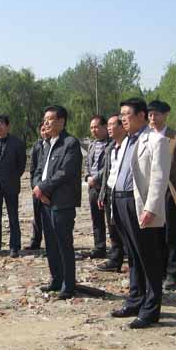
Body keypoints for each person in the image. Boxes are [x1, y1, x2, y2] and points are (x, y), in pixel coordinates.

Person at [110, 98, 171, 328]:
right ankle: (135, 300)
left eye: (126, 114)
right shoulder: (126, 141)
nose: (122, 118)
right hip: (121, 201)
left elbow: (159, 178)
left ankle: (151, 310)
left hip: (140, 205)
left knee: (149, 258)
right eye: (121, 114)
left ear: (141, 116)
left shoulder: (157, 140)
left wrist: (151, 208)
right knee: (133, 256)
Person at [33, 105, 83, 299]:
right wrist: (38, 189)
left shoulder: (70, 143)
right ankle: (56, 279)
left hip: (62, 202)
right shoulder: (47, 144)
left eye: (50, 119)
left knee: (64, 244)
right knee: (51, 244)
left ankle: (68, 285)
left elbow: (65, 172)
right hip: (45, 201)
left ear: (61, 121)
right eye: (45, 119)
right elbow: (38, 170)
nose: (46, 122)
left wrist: (43, 188)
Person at [148, 101, 176, 290]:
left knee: (171, 234)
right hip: (151, 193)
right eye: (150, 114)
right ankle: (159, 269)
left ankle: (172, 272)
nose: (153, 118)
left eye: (156, 114)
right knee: (155, 233)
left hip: (169, 192)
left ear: (165, 115)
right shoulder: (146, 137)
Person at [0, 115, 26, 258]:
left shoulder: (17, 143)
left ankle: (14, 247)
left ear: (7, 126)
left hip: (11, 185)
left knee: (13, 217)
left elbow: (21, 165)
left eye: (1, 124)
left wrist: (12, 177)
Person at [97, 114, 127, 272]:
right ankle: (116, 259)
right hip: (110, 192)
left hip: (125, 193)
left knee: (126, 228)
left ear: (122, 126)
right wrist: (102, 193)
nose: (108, 128)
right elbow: (106, 175)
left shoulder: (130, 147)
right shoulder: (110, 149)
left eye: (111, 125)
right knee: (112, 227)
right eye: (107, 125)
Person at [85, 115, 110, 259]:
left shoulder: (112, 144)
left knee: (112, 221)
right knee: (96, 219)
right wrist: (88, 176)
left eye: (96, 127)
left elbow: (108, 166)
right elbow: (87, 164)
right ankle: (99, 247)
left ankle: (119, 248)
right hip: (93, 188)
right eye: (91, 128)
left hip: (106, 187)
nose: (93, 130)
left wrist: (96, 178)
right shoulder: (92, 145)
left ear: (105, 127)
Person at [25, 123, 48, 251]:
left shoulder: (55, 145)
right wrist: (34, 186)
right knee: (37, 216)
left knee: (49, 217)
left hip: (49, 188)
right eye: (42, 130)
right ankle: (35, 241)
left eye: (46, 129)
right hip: (37, 188)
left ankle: (51, 243)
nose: (45, 132)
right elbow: (33, 169)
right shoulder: (37, 146)